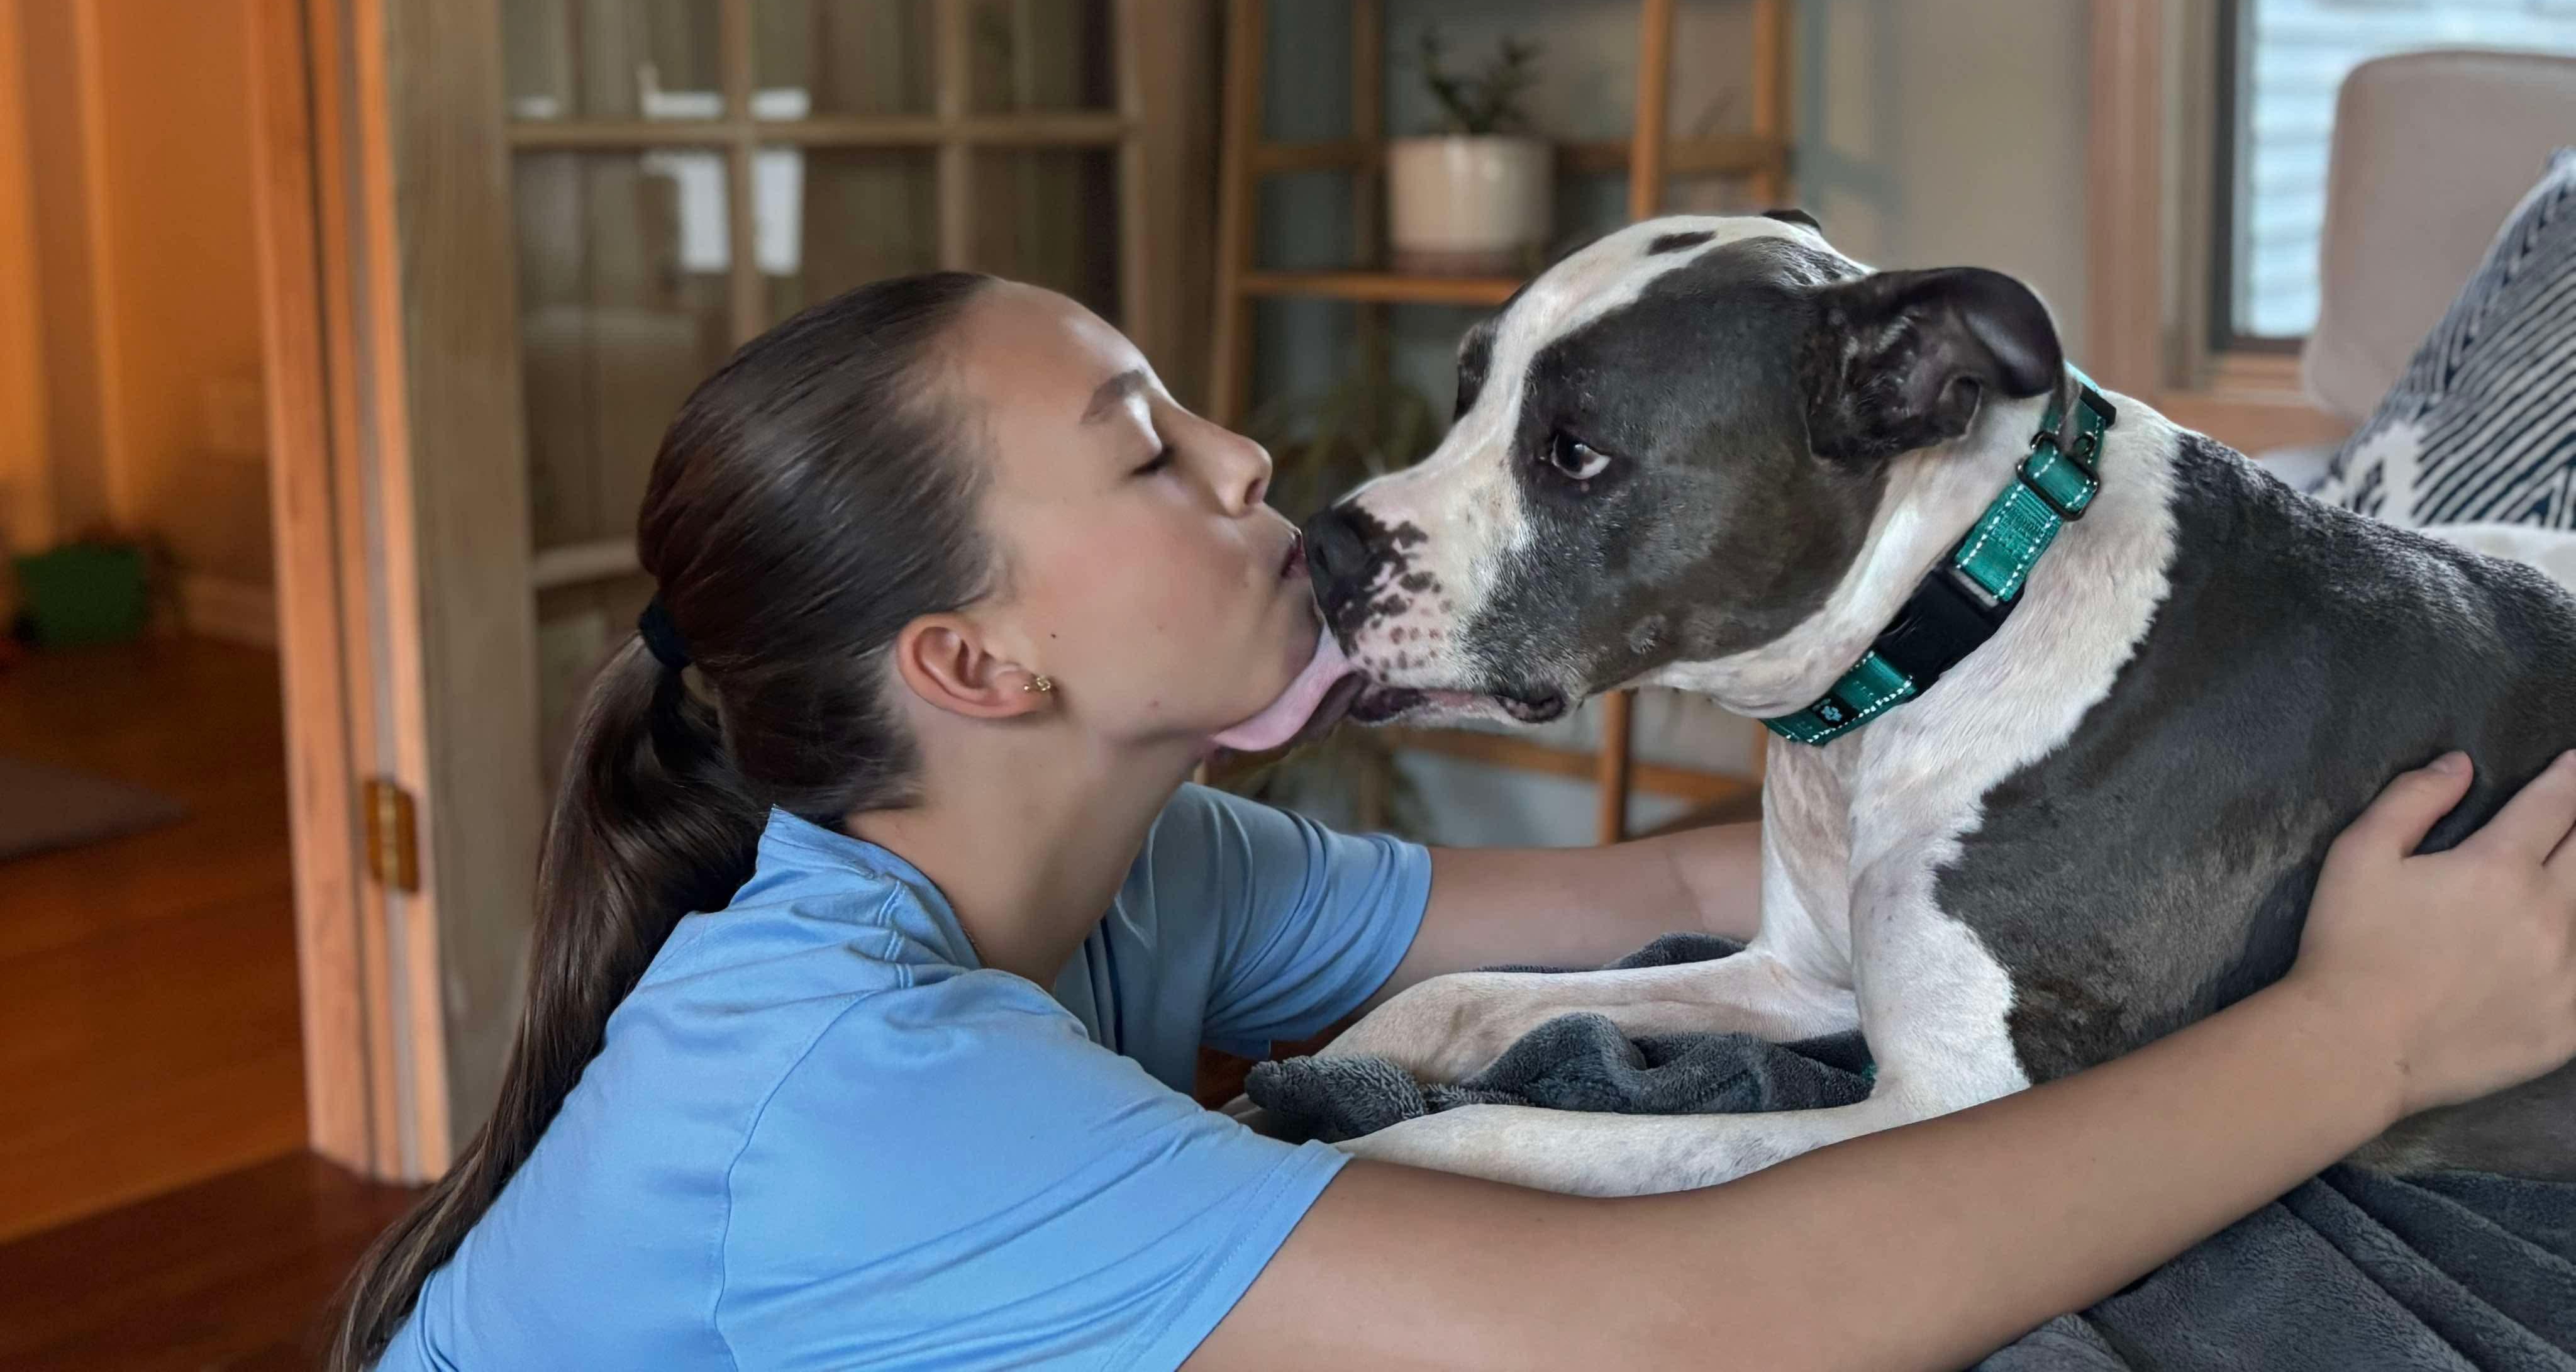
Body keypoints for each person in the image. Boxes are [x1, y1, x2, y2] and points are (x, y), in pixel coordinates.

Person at [335, 272, 2576, 1372]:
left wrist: (1928, 684)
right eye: (1145, 450)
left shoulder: (1133, 866)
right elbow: (1699, 1331)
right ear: (979, 671)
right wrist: (2367, 1040)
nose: (1247, 460)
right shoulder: (860, 1086)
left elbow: (1694, 889)